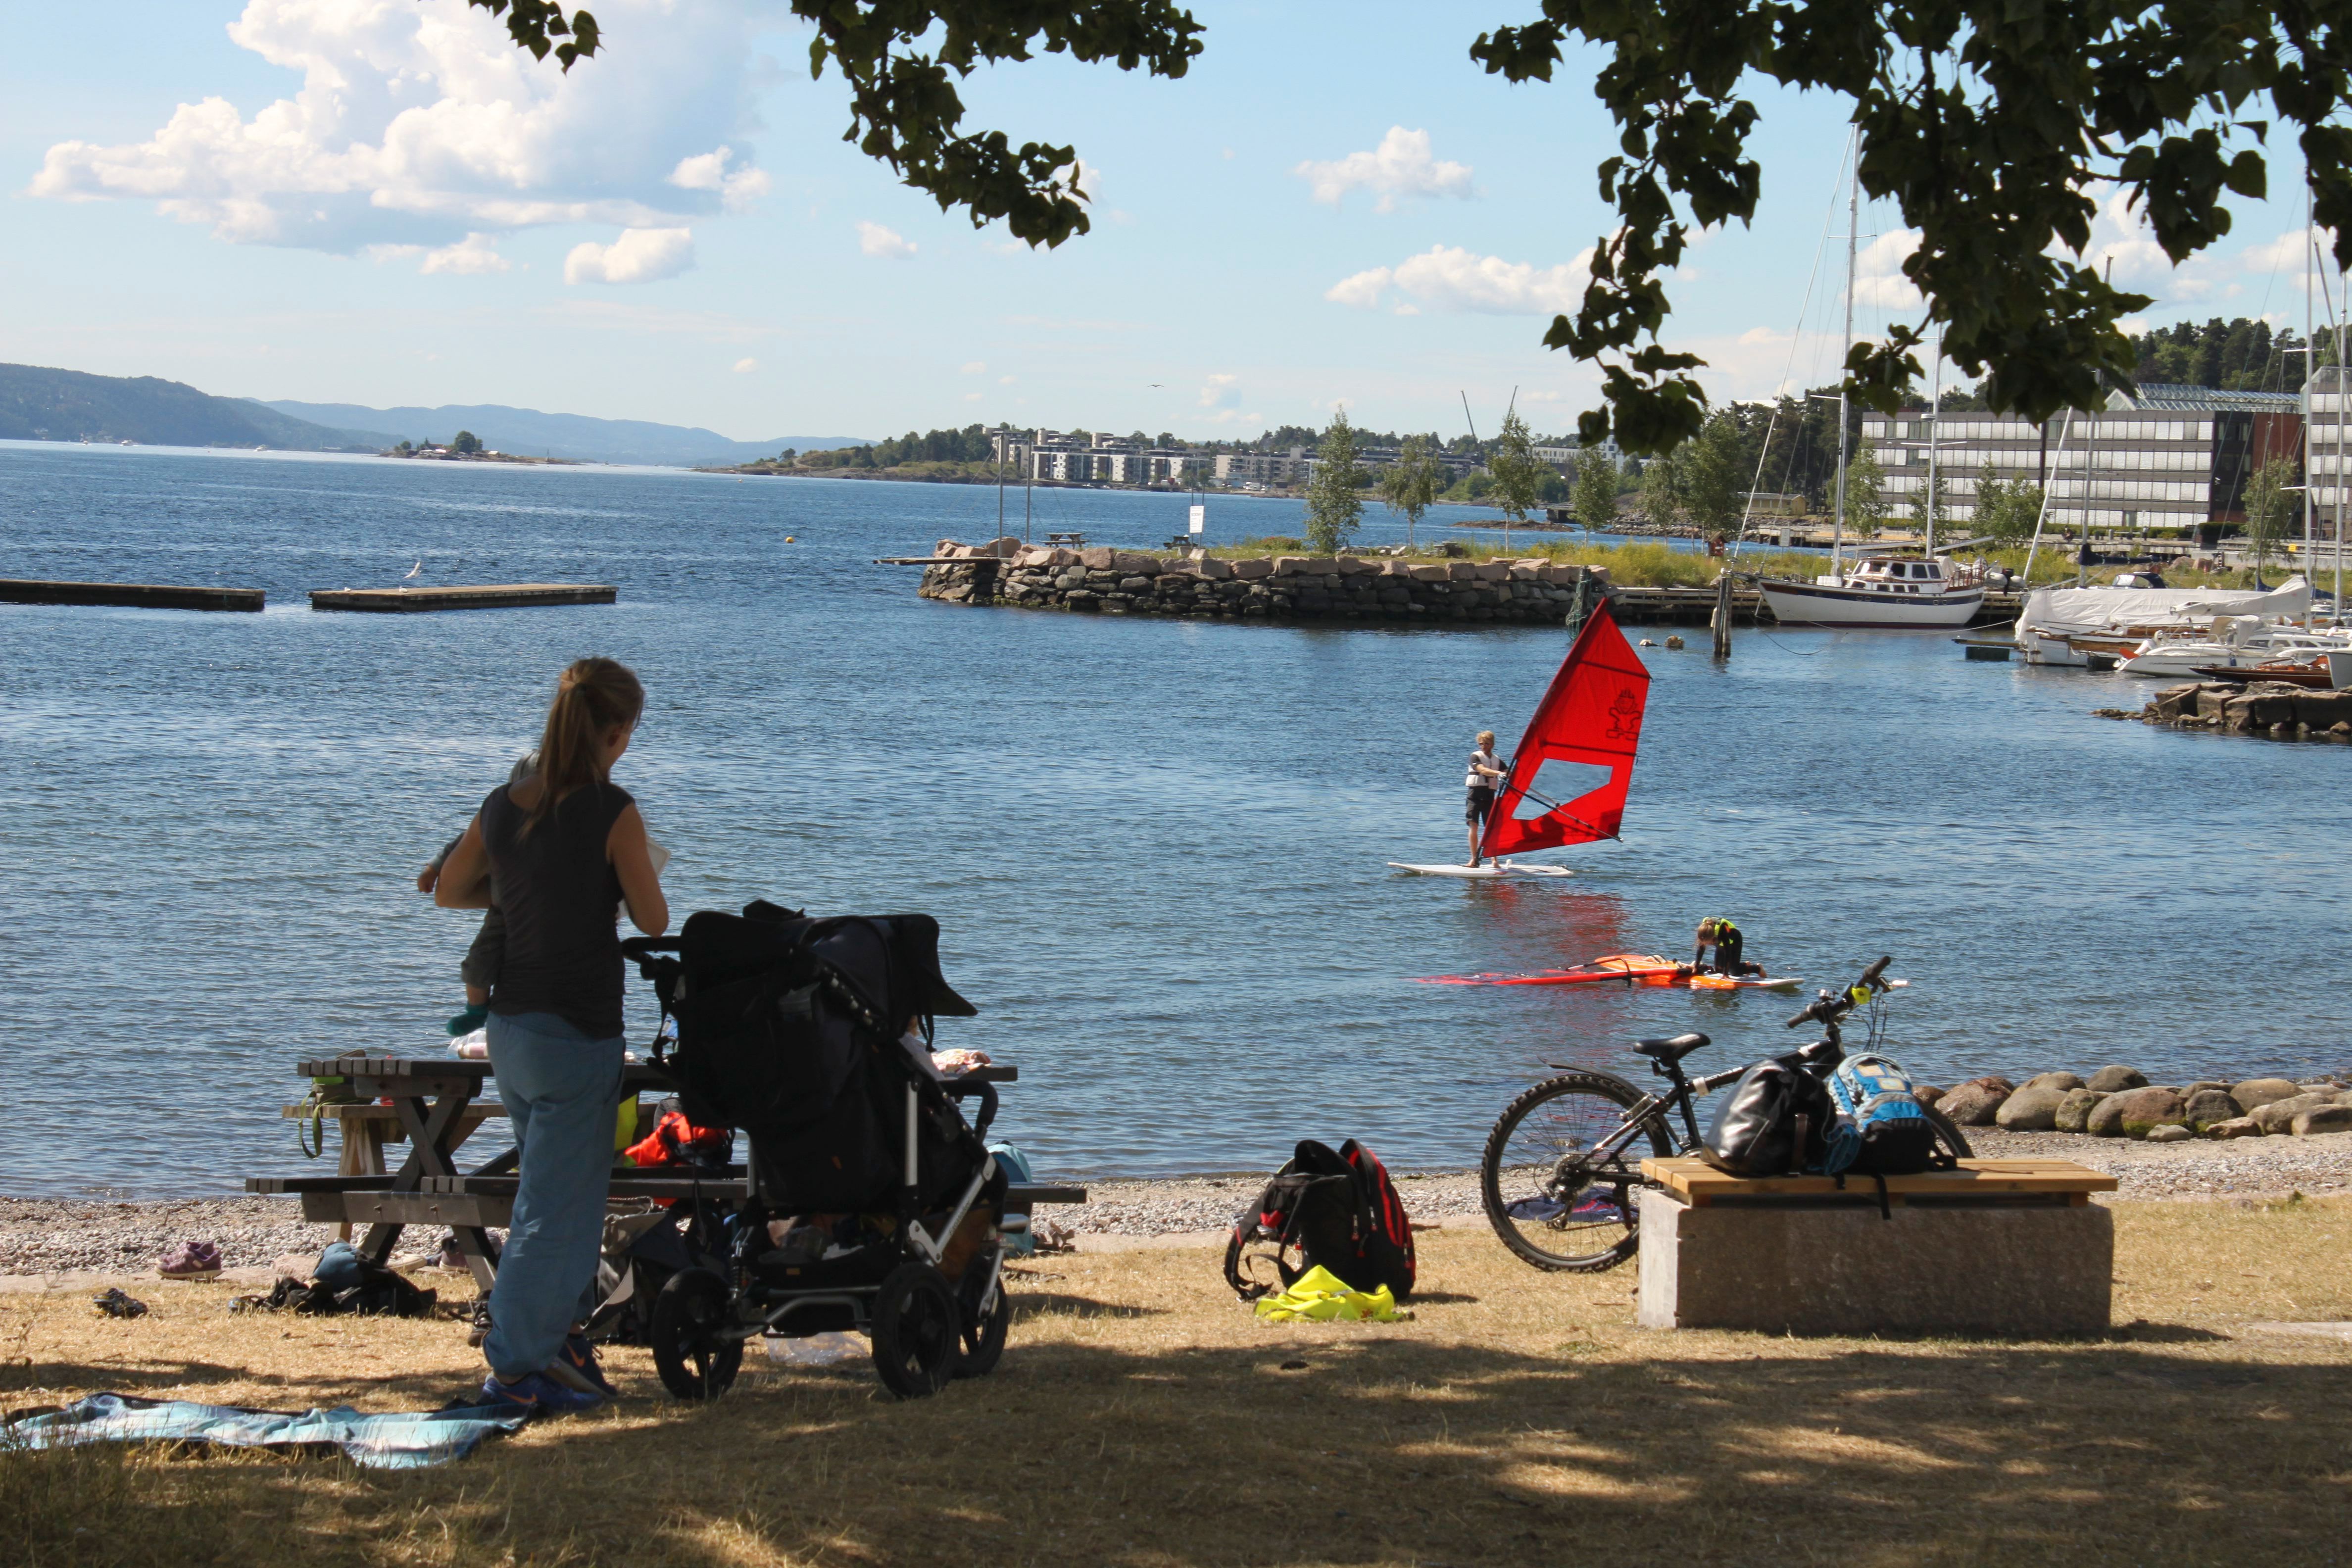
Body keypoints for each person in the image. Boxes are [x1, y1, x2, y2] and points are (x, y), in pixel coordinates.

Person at [436, 657, 667, 1415]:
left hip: (510, 1026)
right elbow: (653, 919)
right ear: (615, 732)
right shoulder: (613, 809)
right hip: (579, 1029)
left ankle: (560, 1339)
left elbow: (448, 890)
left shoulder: (505, 803)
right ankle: (515, 1364)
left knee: (566, 1196)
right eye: (630, 731)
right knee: (550, 1204)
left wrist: (522, 886)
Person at [417, 753, 538, 1037]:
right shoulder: (499, 821)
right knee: (477, 965)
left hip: (542, 914)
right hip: (502, 912)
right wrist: (431, 870)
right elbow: (458, 846)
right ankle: (477, 1010)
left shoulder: (566, 823)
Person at [1464, 730, 1508, 867]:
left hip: (1489, 795)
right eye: (1481, 744)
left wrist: (1507, 774)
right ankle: (1474, 859)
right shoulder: (1475, 757)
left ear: (1492, 744)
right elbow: (1482, 770)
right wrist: (1498, 773)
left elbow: (1507, 771)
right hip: (1475, 795)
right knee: (1474, 825)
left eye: (1487, 744)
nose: (1483, 746)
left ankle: (1494, 860)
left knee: (1491, 828)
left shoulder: (1497, 760)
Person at [1693, 917, 1765, 978]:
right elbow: (1701, 949)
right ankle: (1744, 965)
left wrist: (1726, 975)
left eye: (1708, 943)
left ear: (1713, 938)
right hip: (1720, 943)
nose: (1707, 945)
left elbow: (1728, 953)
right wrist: (1696, 967)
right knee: (1719, 970)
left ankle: (1758, 968)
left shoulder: (1722, 930)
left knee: (1734, 972)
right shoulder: (1704, 931)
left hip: (1734, 941)